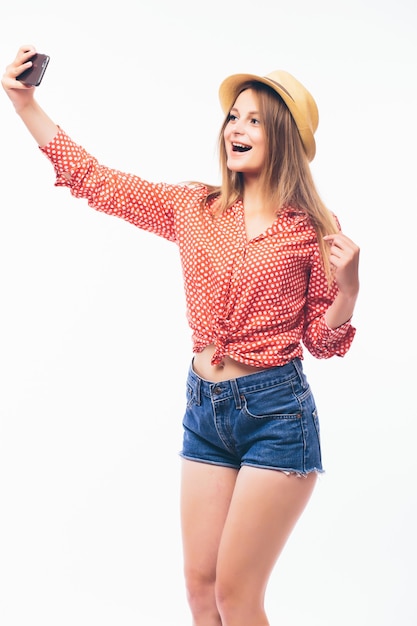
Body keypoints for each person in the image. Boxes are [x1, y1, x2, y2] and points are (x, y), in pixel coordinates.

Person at [2, 45, 360, 626]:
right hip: (204, 407)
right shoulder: (195, 207)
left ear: (285, 141)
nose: (236, 129)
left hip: (277, 415)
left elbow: (324, 340)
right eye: (233, 116)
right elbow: (95, 180)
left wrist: (348, 290)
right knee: (201, 592)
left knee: (236, 599)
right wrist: (25, 104)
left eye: (255, 121)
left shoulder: (313, 230)